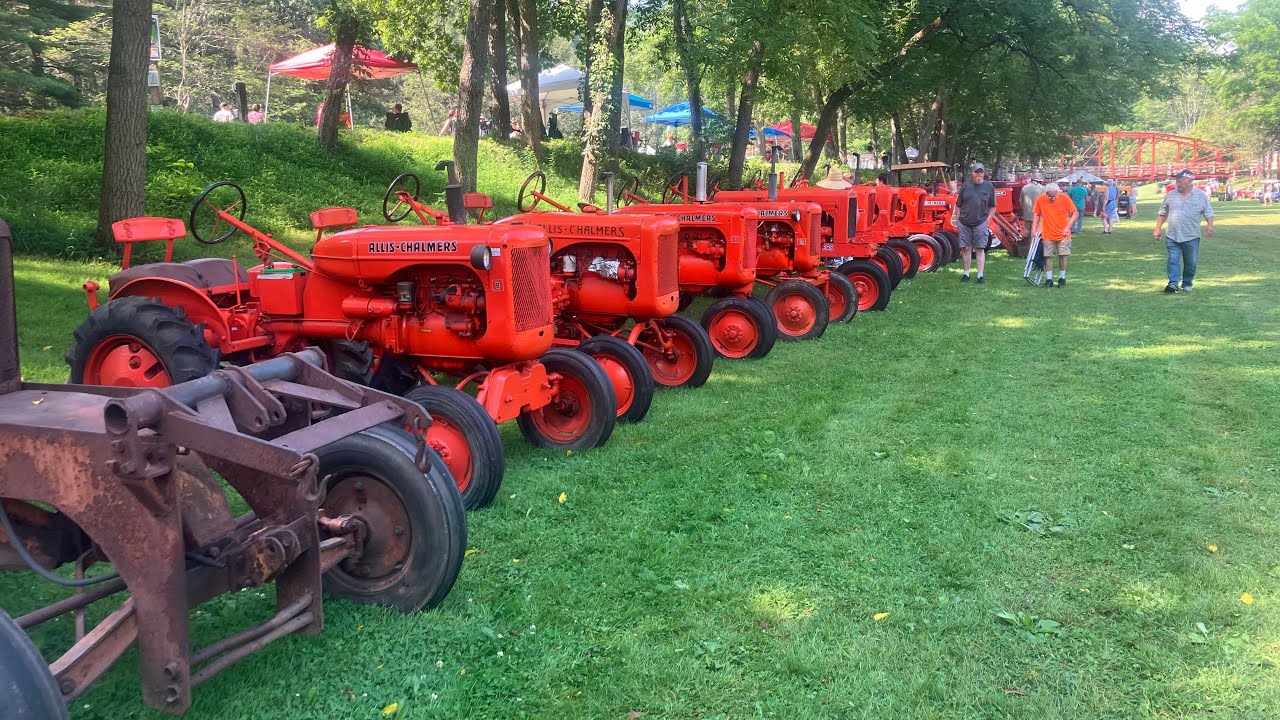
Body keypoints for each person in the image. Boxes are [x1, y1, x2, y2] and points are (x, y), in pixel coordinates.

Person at [1154, 169, 1214, 293]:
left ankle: (1187, 283)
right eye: (1177, 181)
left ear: (1189, 181)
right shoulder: (1170, 195)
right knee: (1173, 259)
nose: (1178, 184)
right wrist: (1157, 228)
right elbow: (1163, 212)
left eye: (1180, 181)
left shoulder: (1200, 195)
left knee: (1191, 262)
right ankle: (1173, 283)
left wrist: (1210, 226)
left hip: (1191, 235)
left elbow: (1208, 212)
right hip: (1172, 235)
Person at [954, 162, 997, 284]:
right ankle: (966, 274)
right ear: (972, 173)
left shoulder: (989, 187)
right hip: (964, 222)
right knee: (966, 248)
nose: (978, 174)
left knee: (979, 248)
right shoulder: (966, 186)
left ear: (983, 173)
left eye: (981, 172)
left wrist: (987, 220)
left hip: (980, 222)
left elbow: (993, 206)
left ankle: (980, 276)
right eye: (976, 172)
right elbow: (958, 205)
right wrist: (958, 220)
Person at [1032, 182, 1078, 288]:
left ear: (1058, 192)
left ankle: (1062, 278)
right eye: (1049, 196)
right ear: (1046, 193)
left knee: (1063, 255)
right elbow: (1037, 214)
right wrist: (1034, 229)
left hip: (1063, 234)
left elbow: (1075, 213)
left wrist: (1068, 227)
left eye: (1054, 196)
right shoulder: (1041, 199)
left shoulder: (1065, 198)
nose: (1052, 198)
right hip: (1047, 233)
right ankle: (1049, 279)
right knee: (1047, 256)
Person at [1019, 171, 1046, 253]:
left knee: (1027, 233)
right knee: (1036, 234)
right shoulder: (1042, 189)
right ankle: (1033, 252)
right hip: (1038, 216)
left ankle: (1025, 250)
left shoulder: (1024, 188)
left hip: (1027, 215)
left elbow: (1020, 201)